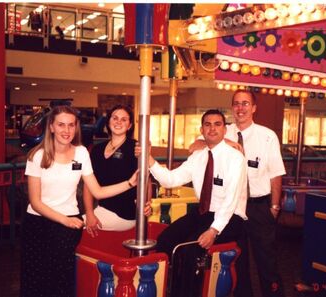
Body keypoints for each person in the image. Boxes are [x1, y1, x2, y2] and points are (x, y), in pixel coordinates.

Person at [21, 105, 137, 297]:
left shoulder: (81, 152)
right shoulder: (37, 156)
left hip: (68, 222)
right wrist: (65, 220)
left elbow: (97, 191)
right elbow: (35, 202)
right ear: (51, 127)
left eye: (71, 125)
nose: (66, 130)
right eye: (61, 125)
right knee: (35, 280)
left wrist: (129, 183)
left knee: (61, 278)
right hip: (39, 223)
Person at [189, 90, 286, 297]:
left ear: (254, 108)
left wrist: (274, 207)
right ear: (232, 107)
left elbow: (276, 174)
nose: (240, 108)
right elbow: (193, 146)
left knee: (267, 262)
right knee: (236, 261)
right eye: (236, 104)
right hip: (231, 208)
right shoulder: (223, 130)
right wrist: (226, 143)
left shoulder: (267, 136)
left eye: (245, 104)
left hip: (259, 206)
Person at [143, 109, 248, 297]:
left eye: (217, 124)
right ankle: (172, 290)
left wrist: (213, 231)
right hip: (203, 213)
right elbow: (170, 180)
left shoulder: (235, 158)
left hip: (230, 217)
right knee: (166, 240)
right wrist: (149, 159)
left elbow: (230, 200)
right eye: (207, 124)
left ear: (224, 130)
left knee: (190, 250)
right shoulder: (197, 157)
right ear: (201, 130)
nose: (212, 128)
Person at [83, 104, 150, 236]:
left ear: (129, 125)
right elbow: (88, 184)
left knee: (73, 225)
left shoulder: (135, 148)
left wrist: (146, 204)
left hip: (125, 214)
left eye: (124, 119)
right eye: (115, 118)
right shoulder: (97, 150)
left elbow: (146, 180)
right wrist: (90, 213)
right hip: (102, 209)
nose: (118, 122)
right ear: (109, 121)